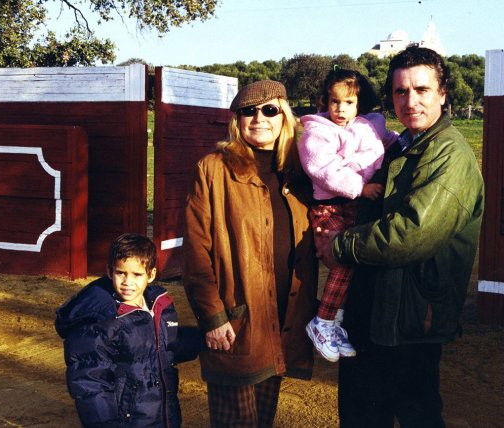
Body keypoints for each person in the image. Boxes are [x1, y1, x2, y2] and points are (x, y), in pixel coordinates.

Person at [317, 46, 485, 427]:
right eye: (401, 92)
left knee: (417, 415)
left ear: (443, 94)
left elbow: (410, 233)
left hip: (411, 322)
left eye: (422, 90)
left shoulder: (449, 153)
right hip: (373, 312)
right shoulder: (399, 146)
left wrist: (340, 245)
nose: (411, 101)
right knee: (361, 415)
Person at [181, 80, 318, 428]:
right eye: (248, 112)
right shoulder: (214, 168)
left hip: (284, 319)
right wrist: (213, 317)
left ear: (284, 116)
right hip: (237, 321)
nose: (259, 118)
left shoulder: (302, 172)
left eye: (270, 110)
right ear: (237, 121)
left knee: (263, 420)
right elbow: (197, 249)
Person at [298, 67, 398, 363]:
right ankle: (322, 321)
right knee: (343, 260)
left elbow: (390, 140)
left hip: (354, 206)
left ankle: (336, 322)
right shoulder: (317, 132)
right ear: (324, 102)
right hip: (330, 205)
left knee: (356, 263)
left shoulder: (369, 125)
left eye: (349, 102)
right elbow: (324, 170)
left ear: (360, 103)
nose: (341, 109)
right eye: (334, 101)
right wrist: (361, 187)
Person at [55, 233, 202, 427]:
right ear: (109, 271)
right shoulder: (99, 323)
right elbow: (91, 384)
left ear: (151, 275)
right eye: (121, 272)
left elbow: (167, 346)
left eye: (137, 274)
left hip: (162, 416)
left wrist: (203, 338)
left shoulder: (159, 307)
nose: (127, 282)